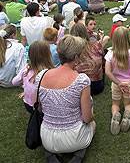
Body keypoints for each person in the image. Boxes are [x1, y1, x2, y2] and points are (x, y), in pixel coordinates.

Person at [35, 35, 95, 163]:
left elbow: (40, 107)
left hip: (47, 137)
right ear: (76, 57)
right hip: (74, 138)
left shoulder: (41, 76)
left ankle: (51, 155)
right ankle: (78, 156)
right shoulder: (81, 80)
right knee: (92, 124)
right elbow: (87, 118)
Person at [105, 27, 130, 134]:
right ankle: (127, 114)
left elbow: (107, 72)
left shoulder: (109, 54)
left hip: (117, 84)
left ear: (114, 40)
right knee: (128, 104)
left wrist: (118, 83)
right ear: (128, 39)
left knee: (115, 104)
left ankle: (115, 115)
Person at [11, 41, 54, 113]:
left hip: (27, 104)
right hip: (42, 107)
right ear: (48, 55)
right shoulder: (50, 72)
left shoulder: (26, 69)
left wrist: (26, 87)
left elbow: (14, 82)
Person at [70, 23, 107, 95]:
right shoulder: (96, 45)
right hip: (97, 86)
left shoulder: (70, 50)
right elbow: (103, 59)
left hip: (78, 87)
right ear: (85, 32)